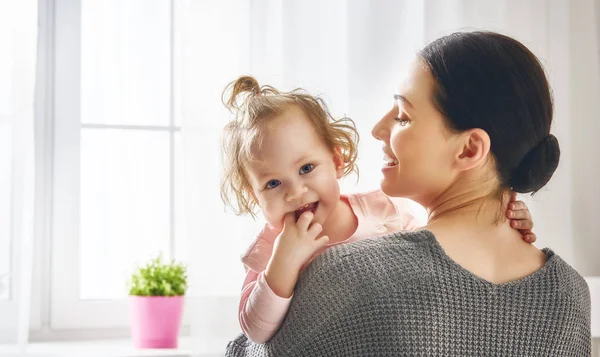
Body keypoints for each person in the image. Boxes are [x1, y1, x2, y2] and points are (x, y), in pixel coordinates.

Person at [225, 32, 591, 356]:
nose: (377, 128)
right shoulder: (571, 296)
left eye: (402, 116)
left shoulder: (347, 275)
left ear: (468, 150)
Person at [220, 75, 537, 344]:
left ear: (336, 161)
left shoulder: (383, 210)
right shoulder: (270, 248)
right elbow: (257, 333)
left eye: (306, 168)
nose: (295, 192)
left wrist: (502, 225)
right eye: (273, 184)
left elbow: (444, 256)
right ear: (254, 195)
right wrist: (283, 264)